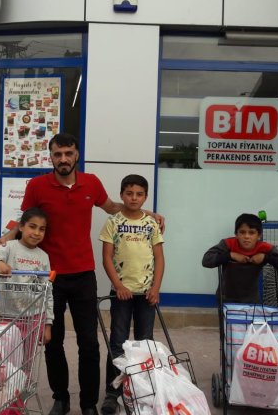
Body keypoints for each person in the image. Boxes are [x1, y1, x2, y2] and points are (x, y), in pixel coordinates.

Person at [0, 133, 164, 415]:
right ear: (50, 157)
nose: (63, 159)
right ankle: (61, 398)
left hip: (84, 274)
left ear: (76, 155)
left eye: (68, 153)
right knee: (53, 341)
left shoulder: (91, 183)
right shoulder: (37, 186)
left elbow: (113, 208)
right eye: (57, 154)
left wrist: (148, 214)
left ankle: (87, 404)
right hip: (48, 277)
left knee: (90, 343)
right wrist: (4, 238)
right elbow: (24, 219)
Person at [99, 174, 165, 415]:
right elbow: (107, 257)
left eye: (139, 194)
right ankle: (112, 392)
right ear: (121, 195)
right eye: (129, 193)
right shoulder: (113, 222)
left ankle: (140, 388)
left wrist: (156, 288)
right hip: (122, 294)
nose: (134, 198)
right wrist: (119, 286)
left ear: (145, 196)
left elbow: (159, 258)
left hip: (147, 294)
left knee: (144, 342)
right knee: (117, 342)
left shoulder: (151, 223)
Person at [0, 207, 54, 361]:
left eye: (42, 229)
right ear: (21, 227)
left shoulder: (43, 257)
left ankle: (23, 385)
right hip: (8, 317)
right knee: (6, 361)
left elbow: (48, 292)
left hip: (34, 318)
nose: (37, 232)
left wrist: (48, 324)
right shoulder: (8, 248)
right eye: (32, 226)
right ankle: (10, 385)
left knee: (27, 361)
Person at [202, 213, 278, 304]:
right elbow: (206, 260)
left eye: (251, 233)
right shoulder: (227, 244)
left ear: (259, 236)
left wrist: (266, 257)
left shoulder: (265, 248)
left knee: (251, 319)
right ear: (236, 234)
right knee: (228, 320)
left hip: (251, 300)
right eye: (242, 232)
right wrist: (230, 255)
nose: (246, 236)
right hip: (226, 298)